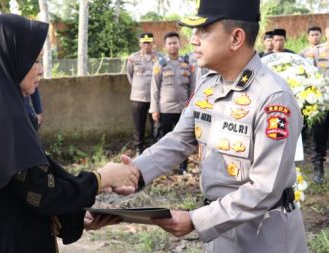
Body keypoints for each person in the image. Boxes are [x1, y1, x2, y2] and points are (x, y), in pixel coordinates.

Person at [113, 0, 309, 252]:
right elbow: (179, 140)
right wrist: (134, 173)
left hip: (263, 233)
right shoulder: (209, 85)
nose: (193, 40)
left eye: (203, 31)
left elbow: (265, 188)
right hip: (219, 227)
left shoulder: (272, 97)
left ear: (236, 38)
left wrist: (196, 220)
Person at [0, 14, 139, 253]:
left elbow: (25, 187)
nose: (41, 70)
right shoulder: (3, 119)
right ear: (11, 59)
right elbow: (41, 194)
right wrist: (101, 179)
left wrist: (75, 211)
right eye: (35, 60)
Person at [150, 32, 194, 174]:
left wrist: (191, 107)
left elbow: (192, 88)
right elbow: (155, 89)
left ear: (179, 44)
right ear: (165, 46)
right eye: (170, 43)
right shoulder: (160, 65)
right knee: (165, 139)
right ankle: (165, 167)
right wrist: (155, 109)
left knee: (184, 140)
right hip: (166, 109)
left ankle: (183, 167)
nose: (173, 46)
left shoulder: (187, 64)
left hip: (183, 109)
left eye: (175, 42)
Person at [127, 32, 162, 155]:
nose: (147, 45)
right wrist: (138, 87)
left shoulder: (160, 58)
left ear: (153, 43)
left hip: (155, 98)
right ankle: (139, 148)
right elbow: (130, 76)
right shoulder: (133, 58)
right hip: (138, 97)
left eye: (149, 42)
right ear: (140, 43)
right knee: (138, 126)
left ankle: (156, 149)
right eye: (144, 43)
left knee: (156, 126)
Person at [307, 24, 329, 184]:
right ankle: (318, 170)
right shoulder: (316, 52)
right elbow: (307, 74)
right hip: (321, 104)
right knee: (318, 136)